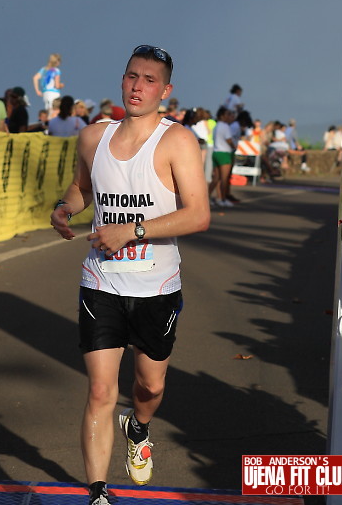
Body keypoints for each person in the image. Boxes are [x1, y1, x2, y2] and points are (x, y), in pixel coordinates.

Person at [50, 45, 209, 504]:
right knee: (101, 388)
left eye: (150, 80)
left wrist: (132, 231)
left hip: (157, 286)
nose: (139, 86)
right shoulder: (93, 137)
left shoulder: (177, 141)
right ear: (122, 80)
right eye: (132, 76)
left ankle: (137, 426)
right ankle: (98, 493)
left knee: (149, 385)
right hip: (101, 281)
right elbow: (83, 187)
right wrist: (64, 209)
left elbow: (198, 215)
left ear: (166, 90)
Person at [209, 106, 235, 207]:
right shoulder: (225, 126)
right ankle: (223, 199)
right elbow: (229, 140)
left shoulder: (216, 126)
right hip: (224, 153)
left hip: (216, 152)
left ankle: (207, 197)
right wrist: (234, 146)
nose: (230, 117)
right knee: (224, 178)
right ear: (223, 115)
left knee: (216, 178)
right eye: (228, 114)